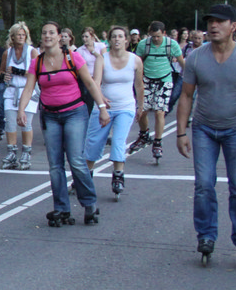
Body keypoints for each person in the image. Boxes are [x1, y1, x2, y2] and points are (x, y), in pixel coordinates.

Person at [176, 4, 236, 267]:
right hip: (204, 128)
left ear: (233, 26)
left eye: (220, 21)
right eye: (210, 21)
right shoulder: (196, 57)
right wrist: (181, 132)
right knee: (204, 185)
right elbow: (186, 95)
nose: (213, 26)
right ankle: (206, 236)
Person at [17, 21, 111, 227]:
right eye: (44, 33)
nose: (47, 36)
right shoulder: (37, 62)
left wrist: (102, 108)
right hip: (50, 115)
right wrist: (21, 110)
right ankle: (62, 208)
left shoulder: (72, 57)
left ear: (59, 37)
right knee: (55, 165)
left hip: (74, 113)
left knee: (76, 160)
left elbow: (90, 83)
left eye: (52, 33)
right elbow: (28, 88)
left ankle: (89, 204)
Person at [85, 26, 144, 199]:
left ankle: (118, 174)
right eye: (114, 37)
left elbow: (139, 85)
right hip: (103, 107)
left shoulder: (135, 60)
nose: (117, 39)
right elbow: (95, 82)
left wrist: (141, 106)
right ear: (109, 40)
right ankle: (86, 175)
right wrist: (101, 98)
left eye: (120, 36)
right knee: (94, 142)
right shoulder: (102, 59)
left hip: (125, 107)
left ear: (126, 39)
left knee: (118, 140)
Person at [128, 21, 183, 162]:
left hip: (164, 79)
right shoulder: (144, 45)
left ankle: (158, 141)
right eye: (153, 36)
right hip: (146, 79)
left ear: (164, 33)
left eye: (158, 36)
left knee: (160, 111)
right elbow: (137, 62)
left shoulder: (171, 45)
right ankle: (144, 134)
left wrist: (191, 78)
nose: (156, 39)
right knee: (142, 111)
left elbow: (182, 63)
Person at [0, 22, 38, 170]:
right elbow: (2, 70)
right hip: (11, 91)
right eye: (18, 35)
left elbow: (36, 72)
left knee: (25, 123)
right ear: (13, 37)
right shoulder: (7, 52)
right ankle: (11, 152)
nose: (21, 37)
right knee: (10, 122)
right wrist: (5, 75)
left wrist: (16, 71)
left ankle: (26, 152)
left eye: (23, 35)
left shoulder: (32, 52)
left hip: (27, 91)